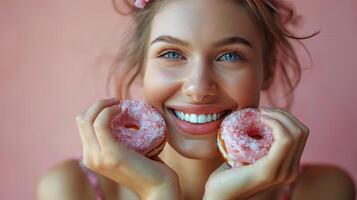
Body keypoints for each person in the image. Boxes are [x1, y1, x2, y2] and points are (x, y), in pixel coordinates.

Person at [37, 0, 356, 199]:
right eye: (172, 54)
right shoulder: (70, 190)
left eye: (230, 55)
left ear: (266, 70)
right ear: (142, 68)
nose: (199, 87)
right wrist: (157, 193)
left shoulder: (324, 191)